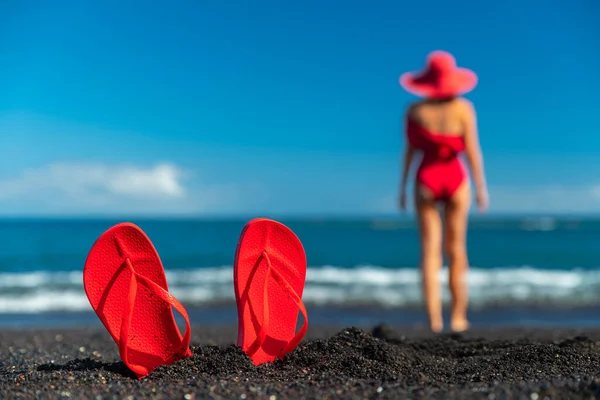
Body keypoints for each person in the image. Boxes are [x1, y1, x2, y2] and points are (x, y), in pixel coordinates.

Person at [398, 50, 488, 333]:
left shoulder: (415, 112)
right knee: (457, 250)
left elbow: (409, 153)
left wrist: (401, 187)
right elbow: (472, 150)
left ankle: (434, 320)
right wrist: (481, 187)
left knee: (429, 252)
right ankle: (458, 318)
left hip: (426, 176)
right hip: (455, 177)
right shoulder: (464, 109)